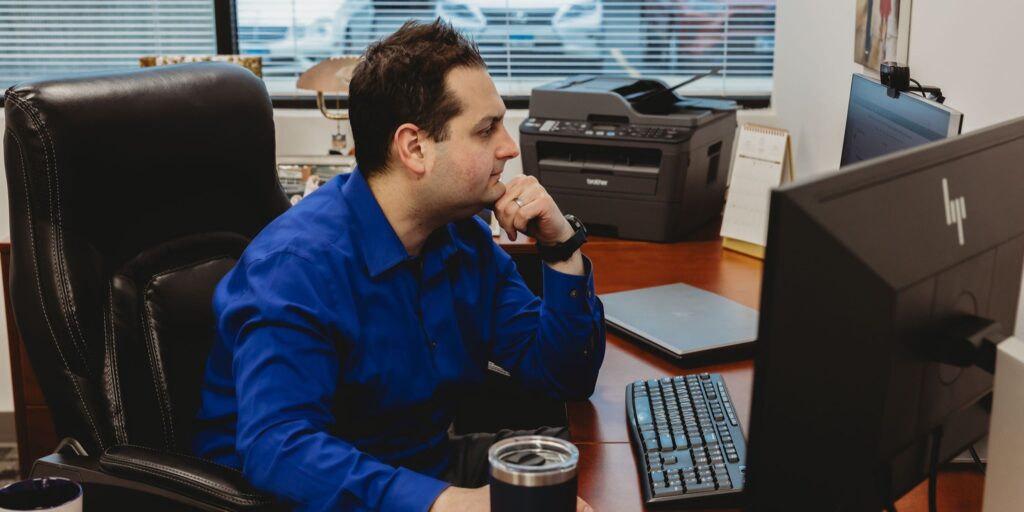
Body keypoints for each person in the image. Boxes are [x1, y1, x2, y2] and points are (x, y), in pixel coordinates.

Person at [193, 19, 605, 512]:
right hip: (300, 500)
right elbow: (279, 451)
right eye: (486, 129)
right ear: (414, 148)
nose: (509, 147)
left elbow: (565, 378)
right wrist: (452, 505)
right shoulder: (296, 269)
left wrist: (561, 248)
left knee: (581, 480)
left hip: (421, 471)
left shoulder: (462, 236)